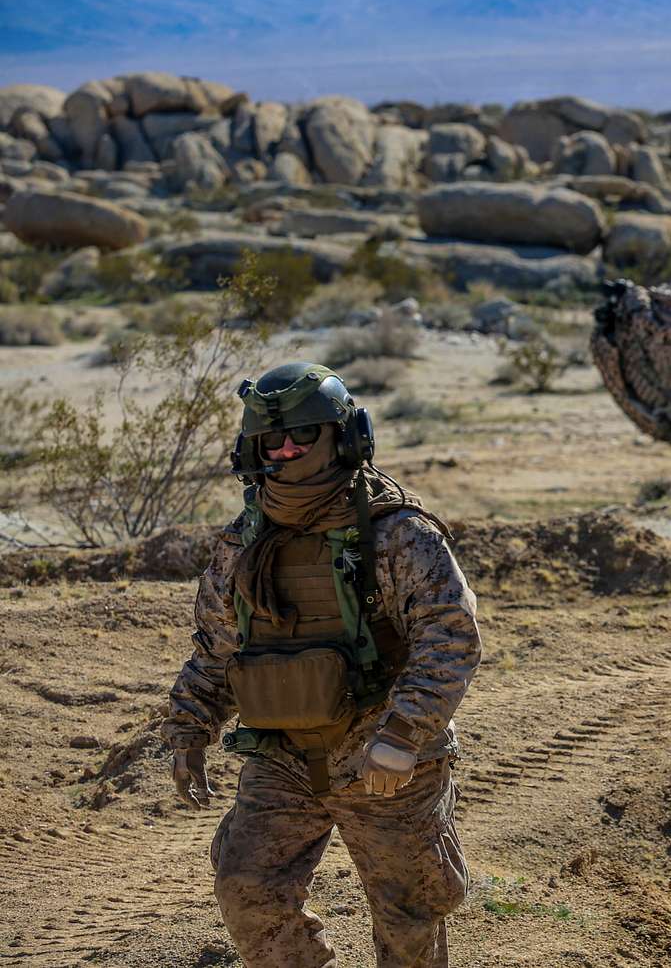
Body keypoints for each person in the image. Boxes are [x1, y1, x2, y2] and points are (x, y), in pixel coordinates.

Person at [162, 361, 480, 968]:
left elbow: (450, 637)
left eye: (302, 436)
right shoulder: (243, 543)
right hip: (281, 755)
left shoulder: (397, 533)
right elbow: (218, 650)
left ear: (343, 437)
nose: (285, 450)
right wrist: (188, 730)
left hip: (383, 756)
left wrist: (405, 733)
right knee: (246, 889)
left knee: (407, 914)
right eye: (271, 440)